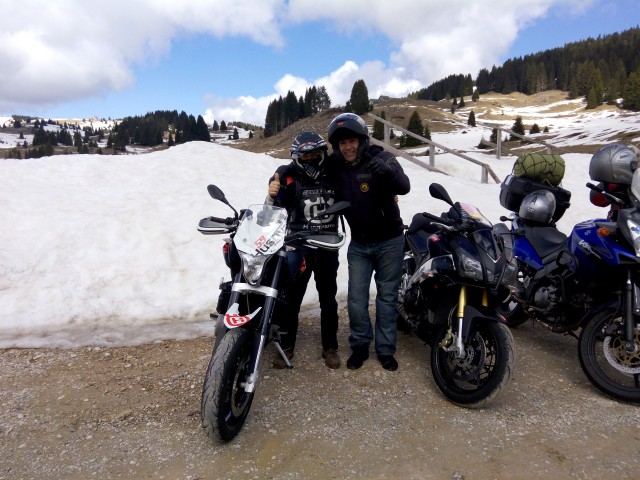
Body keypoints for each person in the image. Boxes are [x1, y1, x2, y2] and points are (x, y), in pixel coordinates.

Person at [327, 113, 411, 371]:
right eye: (342, 143)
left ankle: (385, 349)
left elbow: (404, 186)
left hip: (390, 242)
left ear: (362, 140)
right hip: (359, 244)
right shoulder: (335, 165)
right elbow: (305, 168)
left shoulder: (381, 157)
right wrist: (279, 175)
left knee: (386, 298)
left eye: (352, 141)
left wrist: (388, 174)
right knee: (356, 298)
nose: (347, 147)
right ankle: (360, 344)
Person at [266, 131, 341, 369]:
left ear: (322, 154)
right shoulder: (286, 176)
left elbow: (355, 196)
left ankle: (330, 346)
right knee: (291, 298)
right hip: (297, 246)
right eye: (304, 155)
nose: (309, 159)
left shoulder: (335, 173)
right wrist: (271, 194)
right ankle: (286, 346)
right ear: (297, 156)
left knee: (328, 298)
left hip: (327, 245)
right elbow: (272, 211)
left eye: (314, 154)